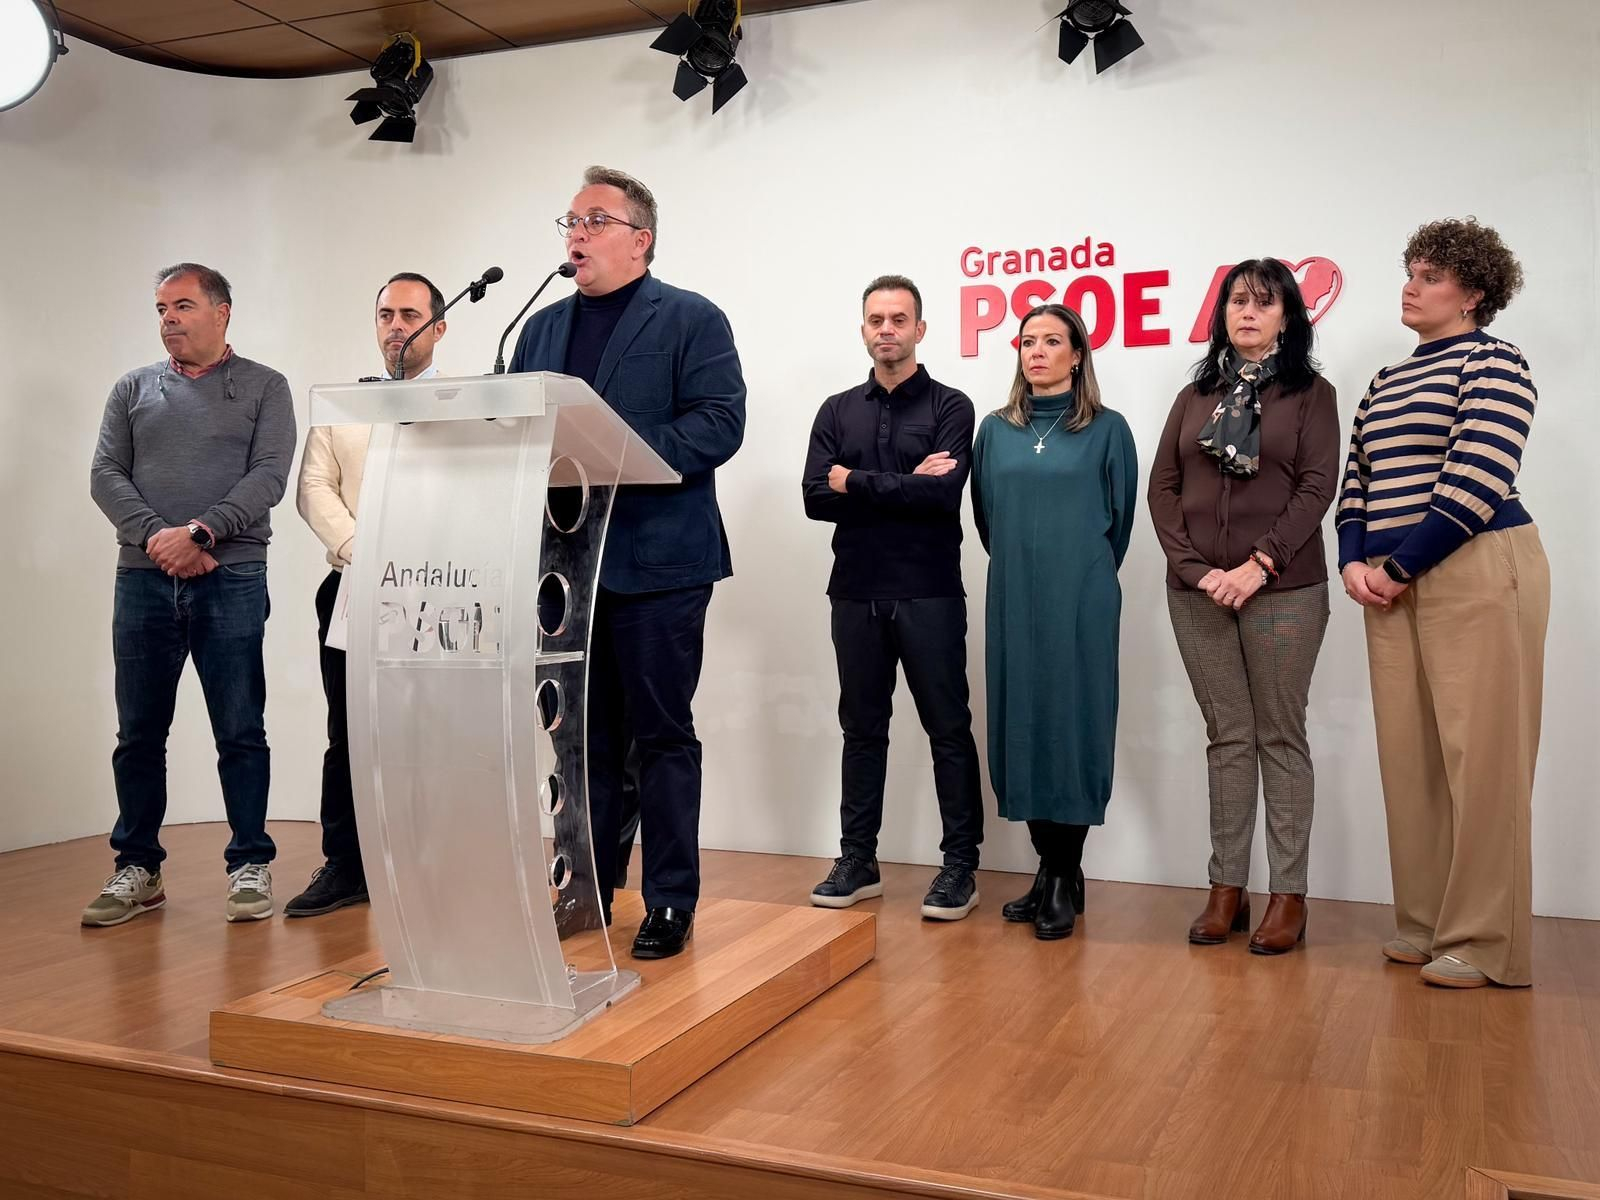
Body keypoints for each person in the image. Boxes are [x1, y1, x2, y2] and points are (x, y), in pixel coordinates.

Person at [509, 166, 746, 959]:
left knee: (662, 737)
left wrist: (624, 451)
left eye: (593, 220)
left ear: (639, 239)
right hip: (566, 569)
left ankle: (671, 899)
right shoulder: (538, 331)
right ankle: (587, 887)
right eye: (568, 222)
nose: (574, 234)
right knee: (580, 741)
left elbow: (719, 424)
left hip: (660, 565)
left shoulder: (690, 319)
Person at [1336, 218, 1547, 989]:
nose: (1411, 286)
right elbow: (1355, 479)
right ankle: (1425, 923)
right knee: (1411, 758)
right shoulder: (1388, 381)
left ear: (1474, 292)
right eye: (1410, 272)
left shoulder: (1496, 362)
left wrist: (1400, 566)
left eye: (1430, 276)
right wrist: (1354, 560)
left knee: (1483, 758)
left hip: (1476, 567)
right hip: (1390, 579)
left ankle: (1486, 943)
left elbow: (1479, 475)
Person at [84, 263, 296, 926]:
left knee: (240, 729)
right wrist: (160, 540)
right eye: (161, 309)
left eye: (182, 306)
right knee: (138, 732)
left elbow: (269, 476)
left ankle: (250, 864)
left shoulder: (265, 387)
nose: (168, 320)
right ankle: (137, 868)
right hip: (143, 579)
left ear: (221, 312)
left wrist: (203, 531)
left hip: (231, 577)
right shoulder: (132, 389)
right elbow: (105, 475)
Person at [1148, 258, 1340, 954]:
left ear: (1289, 315)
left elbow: (1317, 488)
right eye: (1236, 301)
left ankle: (1288, 896)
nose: (1248, 312)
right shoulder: (1196, 393)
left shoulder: (1311, 394)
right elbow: (1163, 489)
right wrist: (1200, 571)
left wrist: (1257, 565)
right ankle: (1226, 888)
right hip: (1198, 593)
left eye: (1264, 302)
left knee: (1279, 738)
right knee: (1227, 737)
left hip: (1284, 589)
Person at [801, 275, 985, 920]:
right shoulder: (836, 410)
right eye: (876, 319)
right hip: (854, 592)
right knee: (861, 730)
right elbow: (813, 497)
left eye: (899, 319)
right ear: (863, 330)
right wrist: (897, 482)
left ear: (920, 330)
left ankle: (960, 865)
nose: (887, 329)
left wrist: (853, 481)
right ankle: (859, 860)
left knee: (948, 730)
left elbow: (941, 496)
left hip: (928, 591)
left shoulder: (951, 407)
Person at [971, 304, 1137, 940]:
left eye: (1052, 341)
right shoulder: (995, 431)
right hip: (1015, 596)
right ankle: (1049, 869)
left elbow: (1117, 525)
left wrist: (1078, 574)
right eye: (1027, 341)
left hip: (1081, 601)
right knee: (1024, 726)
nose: (1036, 351)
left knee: (1073, 725)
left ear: (1077, 355)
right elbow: (988, 522)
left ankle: (1066, 876)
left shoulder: (1107, 430)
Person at [285, 273, 448, 917]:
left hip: (443, 588)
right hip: (352, 585)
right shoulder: (344, 405)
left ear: (439, 325)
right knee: (349, 732)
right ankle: (347, 864)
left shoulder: (473, 404)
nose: (396, 326)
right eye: (385, 314)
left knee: (436, 729)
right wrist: (366, 550)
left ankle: (434, 858)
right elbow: (313, 489)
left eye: (410, 314)